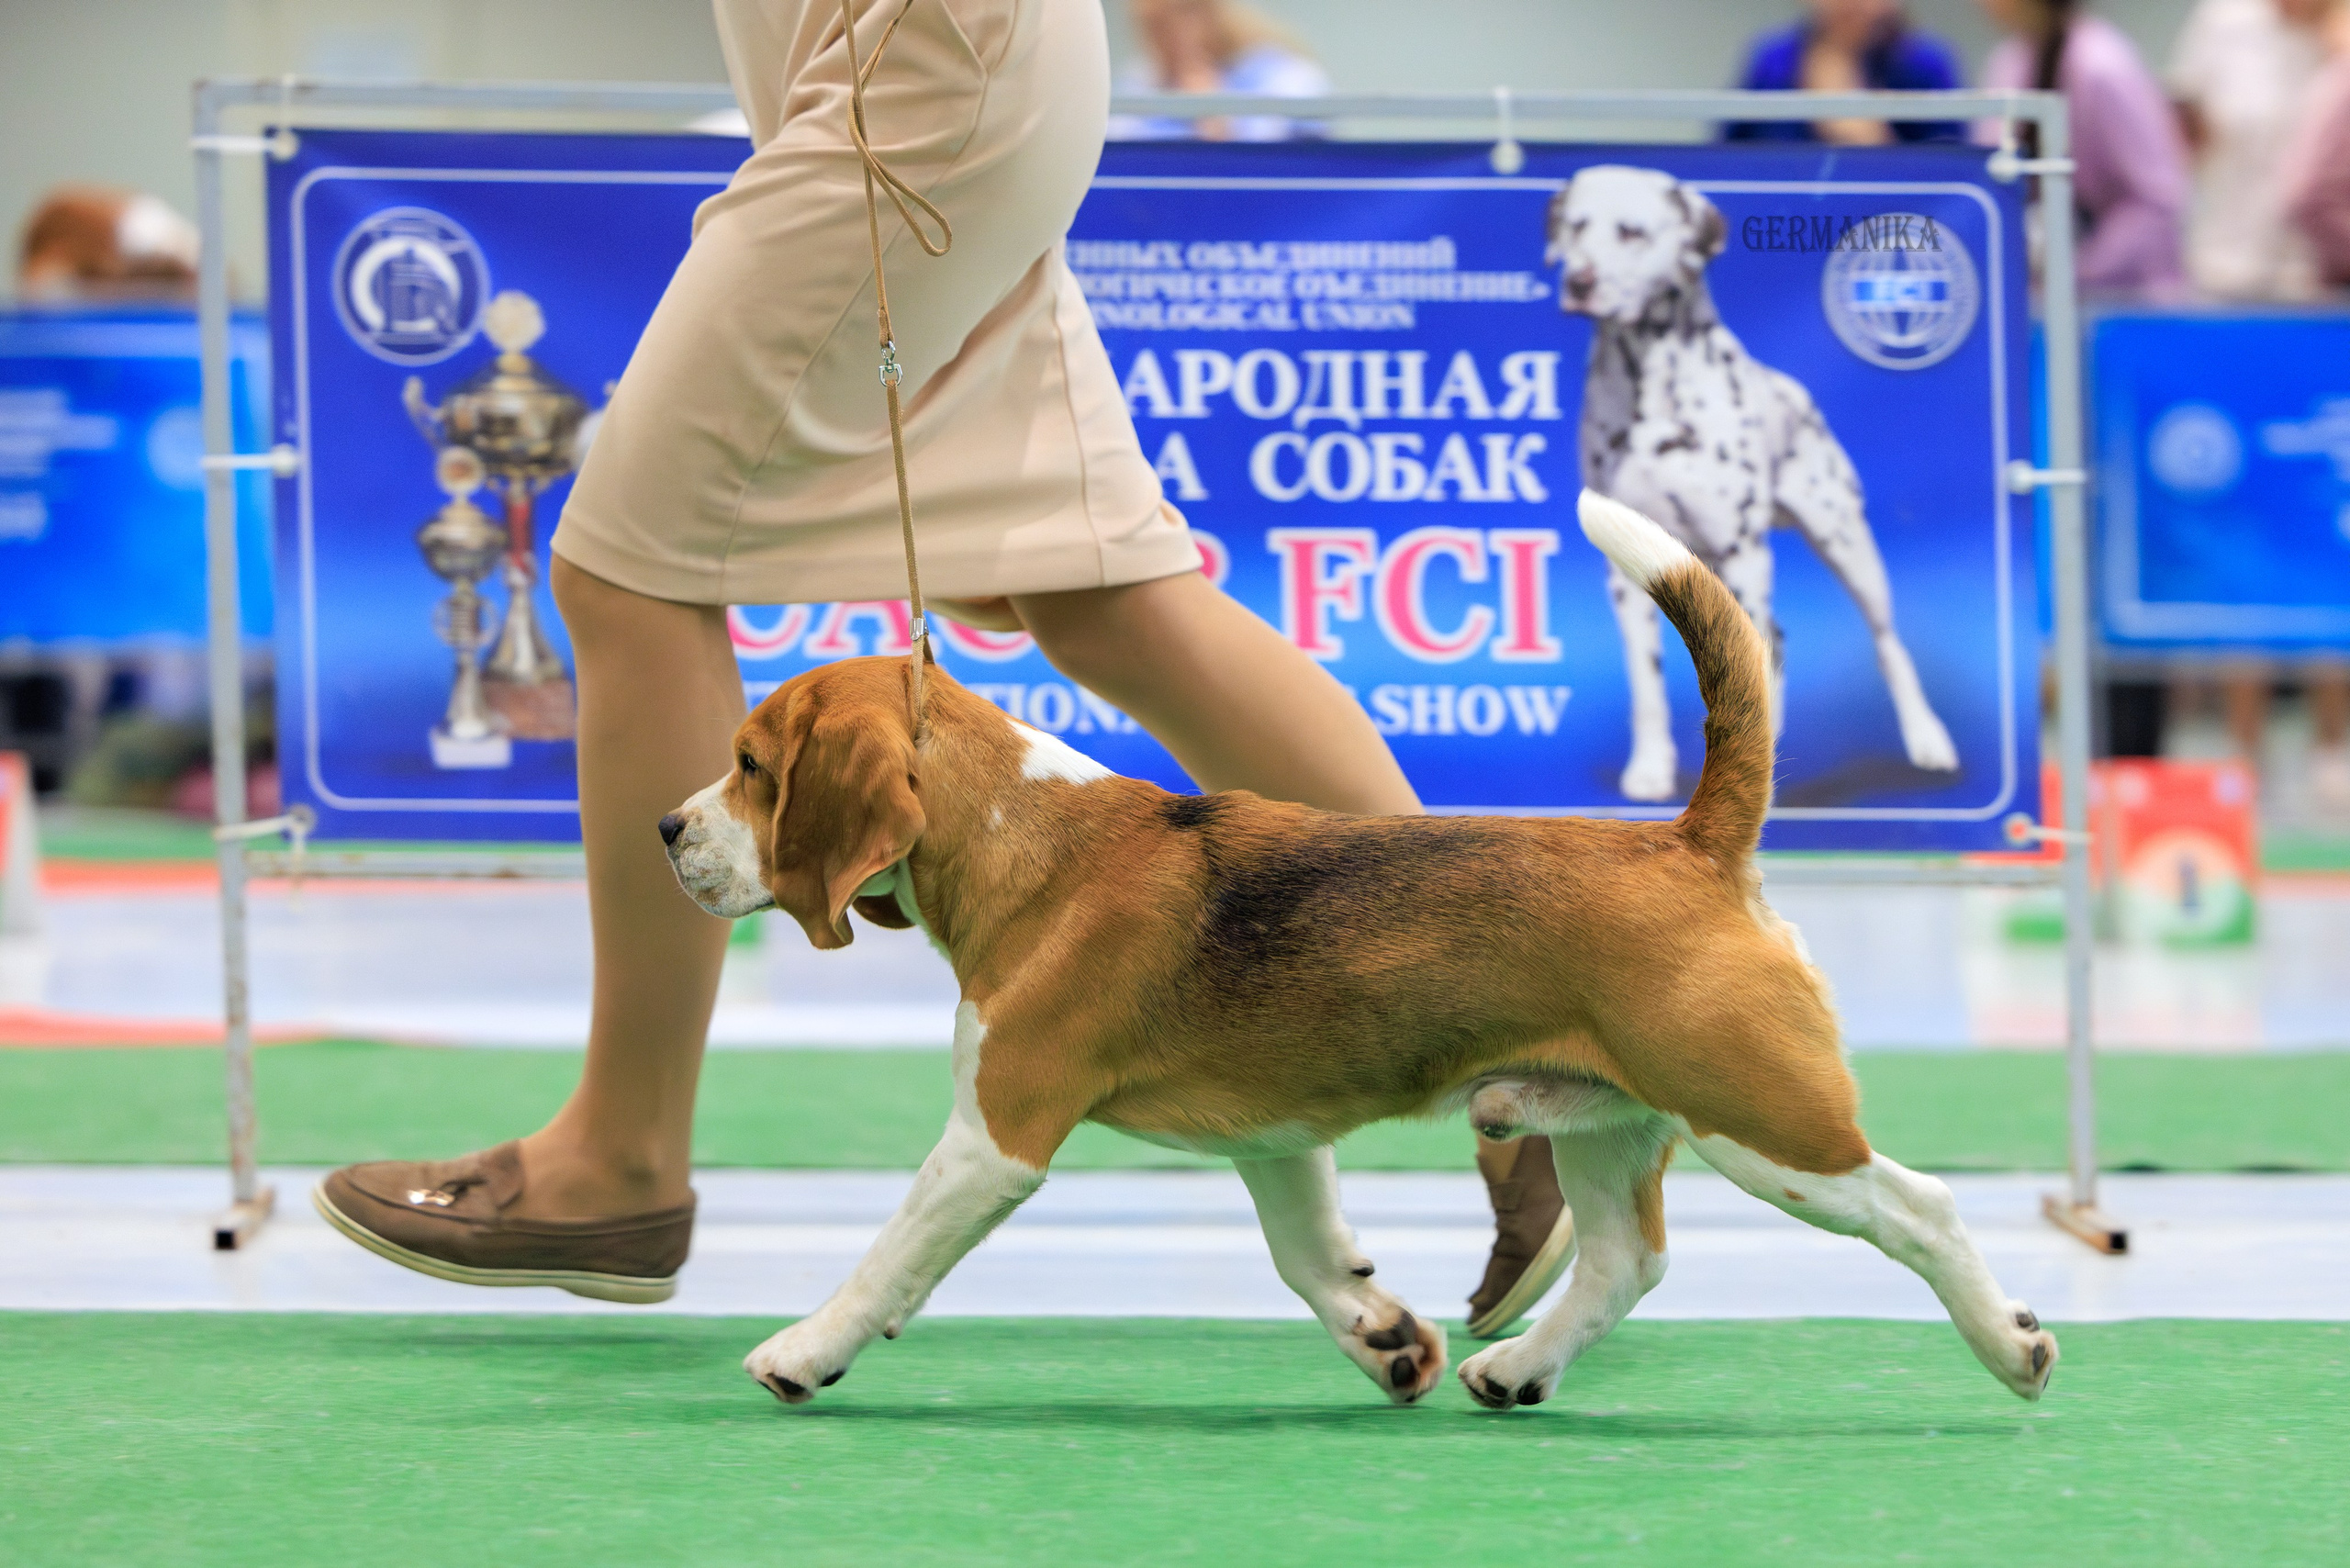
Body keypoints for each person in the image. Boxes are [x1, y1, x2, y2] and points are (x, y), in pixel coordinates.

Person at [311, 0, 1573, 1340]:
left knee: (628, 571)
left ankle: (617, 1162)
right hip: (931, 68)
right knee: (1104, 597)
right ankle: (1529, 1029)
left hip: (916, 68)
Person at [1977, 0, 2192, 299]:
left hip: (2125, 303)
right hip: (2047, 295)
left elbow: (2158, 200)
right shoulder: (2012, 59)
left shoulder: (2104, 67)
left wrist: (2077, 273)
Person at [2169, 0, 2336, 302]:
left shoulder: (2338, 40)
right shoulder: (2223, 22)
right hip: (2224, 267)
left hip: (2320, 283)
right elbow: (2181, 140)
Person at [1724, 0, 1968, 144]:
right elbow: (1727, 158)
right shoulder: (1772, 60)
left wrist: (1868, 138)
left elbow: (1951, 181)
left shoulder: (1925, 64)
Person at [1106, 0, 1328, 141]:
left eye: (1180, 16)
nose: (1165, 38)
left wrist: (1214, 120)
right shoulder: (1136, 87)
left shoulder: (1286, 78)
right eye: (1152, 26)